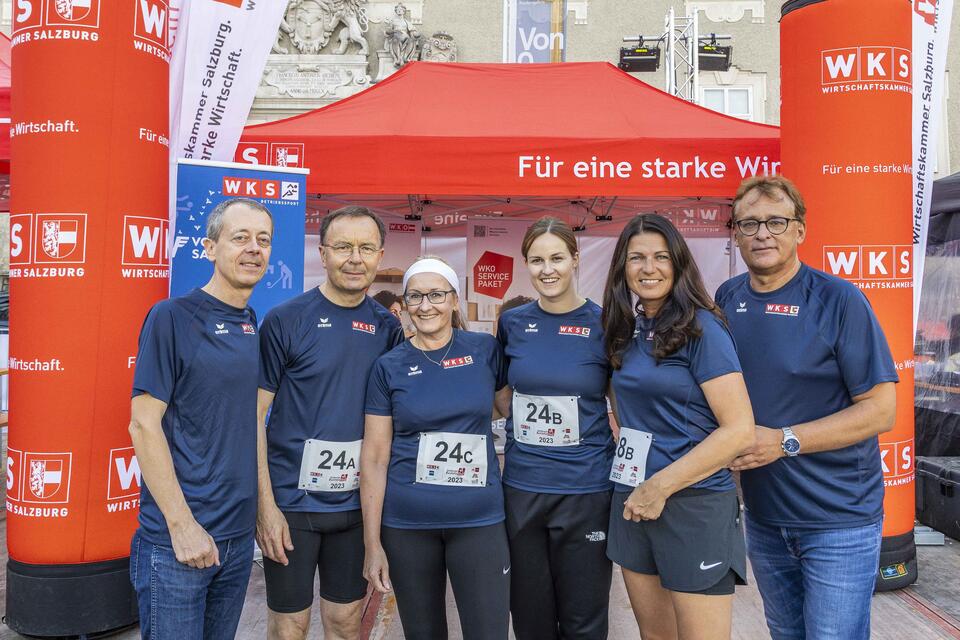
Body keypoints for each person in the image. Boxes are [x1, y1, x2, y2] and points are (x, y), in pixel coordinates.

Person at [715, 175, 898, 640]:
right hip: (764, 516)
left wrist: (784, 441)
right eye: (749, 223)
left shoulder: (840, 300)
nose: (762, 234)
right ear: (734, 233)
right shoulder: (726, 299)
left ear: (800, 230)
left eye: (776, 221)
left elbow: (881, 410)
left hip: (838, 521)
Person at [602, 213, 755, 640]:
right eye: (636, 258)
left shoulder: (703, 328)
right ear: (622, 267)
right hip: (632, 497)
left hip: (693, 502)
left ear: (679, 263)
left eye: (660, 257)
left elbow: (739, 429)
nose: (648, 268)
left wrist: (661, 486)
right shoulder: (626, 330)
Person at [128, 198, 274, 639]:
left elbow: (248, 423)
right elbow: (143, 425)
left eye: (263, 240)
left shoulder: (250, 321)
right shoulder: (172, 317)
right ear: (209, 248)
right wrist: (181, 525)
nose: (253, 248)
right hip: (178, 544)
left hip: (234, 542)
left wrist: (263, 514)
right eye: (240, 237)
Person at [256, 206, 402, 640]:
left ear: (379, 255)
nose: (354, 258)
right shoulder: (286, 319)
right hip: (292, 506)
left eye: (365, 248)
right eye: (343, 247)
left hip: (357, 508)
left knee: (344, 623)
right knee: (289, 626)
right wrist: (265, 508)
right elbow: (251, 418)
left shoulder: (386, 329)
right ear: (322, 253)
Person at [361, 256, 511, 640]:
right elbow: (376, 458)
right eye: (415, 296)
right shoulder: (388, 367)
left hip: (479, 521)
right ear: (406, 303)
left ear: (455, 301)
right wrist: (372, 543)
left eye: (436, 295)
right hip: (409, 525)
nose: (425, 305)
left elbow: (508, 409)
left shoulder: (484, 351)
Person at [494, 217, 614, 639]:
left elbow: (623, 406)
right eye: (537, 259)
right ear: (526, 263)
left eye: (557, 258)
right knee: (530, 619)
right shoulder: (512, 323)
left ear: (576, 259)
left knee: (584, 621)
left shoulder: (607, 324)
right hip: (524, 489)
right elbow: (503, 394)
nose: (548, 269)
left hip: (586, 490)